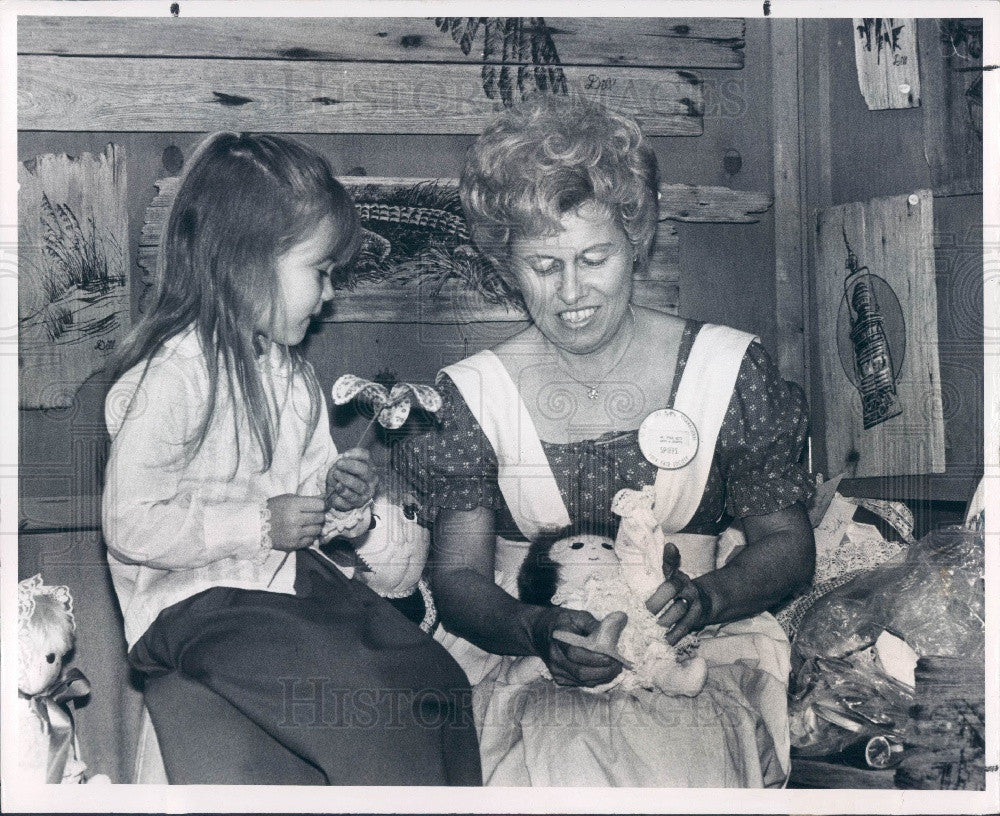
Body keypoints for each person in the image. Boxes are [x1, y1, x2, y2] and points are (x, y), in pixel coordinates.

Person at [395, 95, 816, 787]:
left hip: (695, 650)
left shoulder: (726, 370)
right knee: (554, 757)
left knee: (679, 753)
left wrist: (707, 599)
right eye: (543, 265)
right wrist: (538, 631)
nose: (571, 292)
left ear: (637, 241)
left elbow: (787, 547)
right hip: (521, 654)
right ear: (505, 262)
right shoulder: (474, 394)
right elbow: (460, 579)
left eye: (594, 258)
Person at [102, 133, 481, 786]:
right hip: (192, 606)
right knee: (369, 712)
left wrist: (338, 497)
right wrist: (258, 525)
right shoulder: (175, 379)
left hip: (280, 593)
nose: (329, 295)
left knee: (434, 678)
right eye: (321, 272)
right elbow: (130, 523)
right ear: (246, 263)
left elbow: (302, 497)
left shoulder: (293, 377)